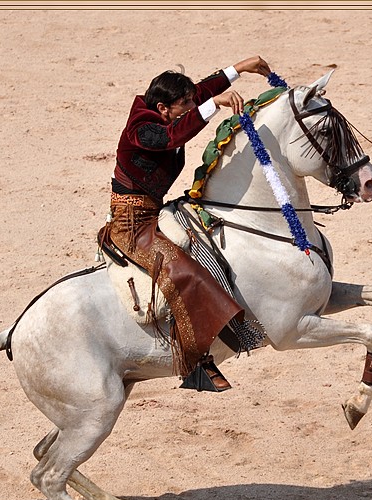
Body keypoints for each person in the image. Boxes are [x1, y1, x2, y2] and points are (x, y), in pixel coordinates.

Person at [100, 56, 273, 391]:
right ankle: (195, 360)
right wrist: (211, 105)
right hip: (131, 223)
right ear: (163, 107)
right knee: (183, 273)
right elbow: (174, 135)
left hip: (153, 211)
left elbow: (200, 93)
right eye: (184, 105)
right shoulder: (142, 129)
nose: (190, 107)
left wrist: (240, 68)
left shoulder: (166, 110)